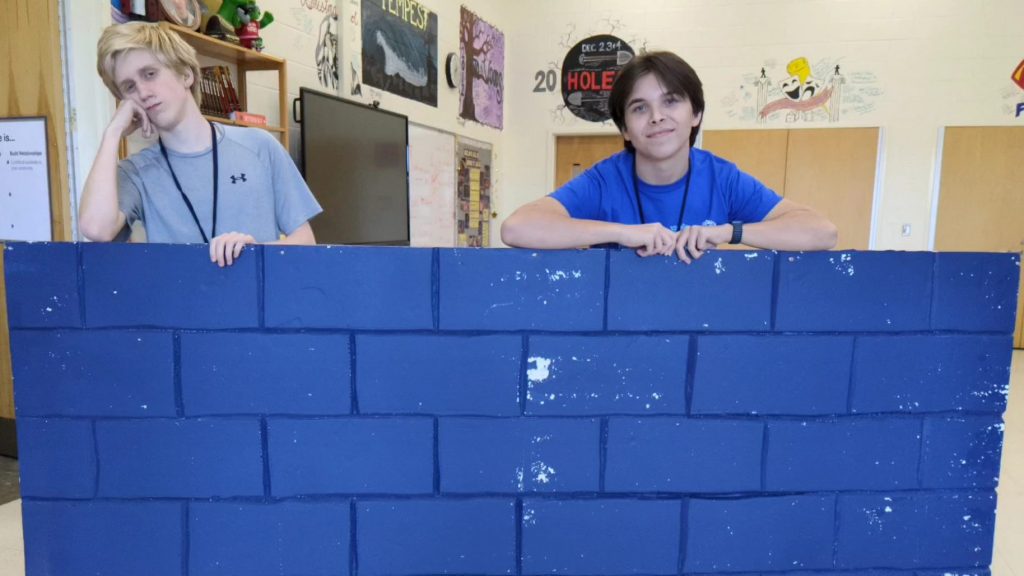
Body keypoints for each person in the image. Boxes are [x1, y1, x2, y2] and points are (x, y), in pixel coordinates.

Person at [501, 51, 837, 262]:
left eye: (671, 101)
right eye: (639, 108)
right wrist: (622, 233)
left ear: (696, 114)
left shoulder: (722, 178)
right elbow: (517, 228)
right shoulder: (604, 181)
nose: (657, 117)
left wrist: (728, 232)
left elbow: (822, 232)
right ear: (625, 129)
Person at [81, 21, 321, 266]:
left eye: (150, 74)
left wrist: (254, 252)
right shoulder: (135, 172)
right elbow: (96, 229)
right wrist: (112, 133)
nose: (143, 92)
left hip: (256, 290)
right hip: (182, 292)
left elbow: (306, 241)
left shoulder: (259, 146)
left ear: (186, 74)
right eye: (129, 87)